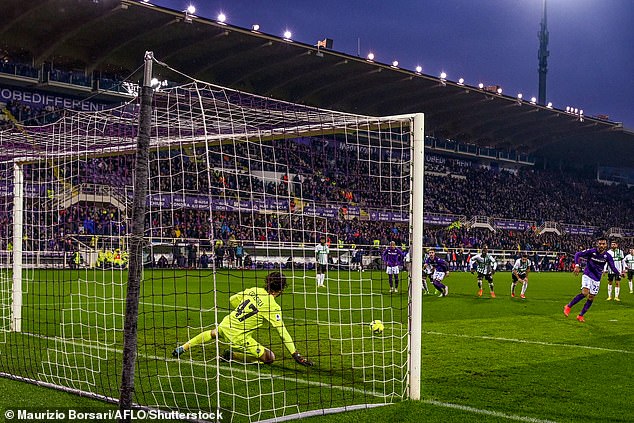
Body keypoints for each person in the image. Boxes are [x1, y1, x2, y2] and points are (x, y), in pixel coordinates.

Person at [172, 271, 313, 366]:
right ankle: (233, 356)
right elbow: (282, 332)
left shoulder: (254, 290)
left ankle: (182, 347)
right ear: (281, 289)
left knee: (213, 333)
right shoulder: (273, 306)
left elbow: (232, 299)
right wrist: (295, 354)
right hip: (238, 336)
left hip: (227, 323)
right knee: (270, 357)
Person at [565, 237, 623, 322]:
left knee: (591, 297)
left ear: (606, 245)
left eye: (603, 244)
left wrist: (619, 273)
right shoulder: (592, 251)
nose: (601, 245)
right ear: (597, 244)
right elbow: (578, 254)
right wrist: (577, 265)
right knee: (585, 293)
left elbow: (612, 267)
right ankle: (568, 306)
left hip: (597, 278)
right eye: (600, 244)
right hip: (587, 274)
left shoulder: (608, 256)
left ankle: (580, 315)